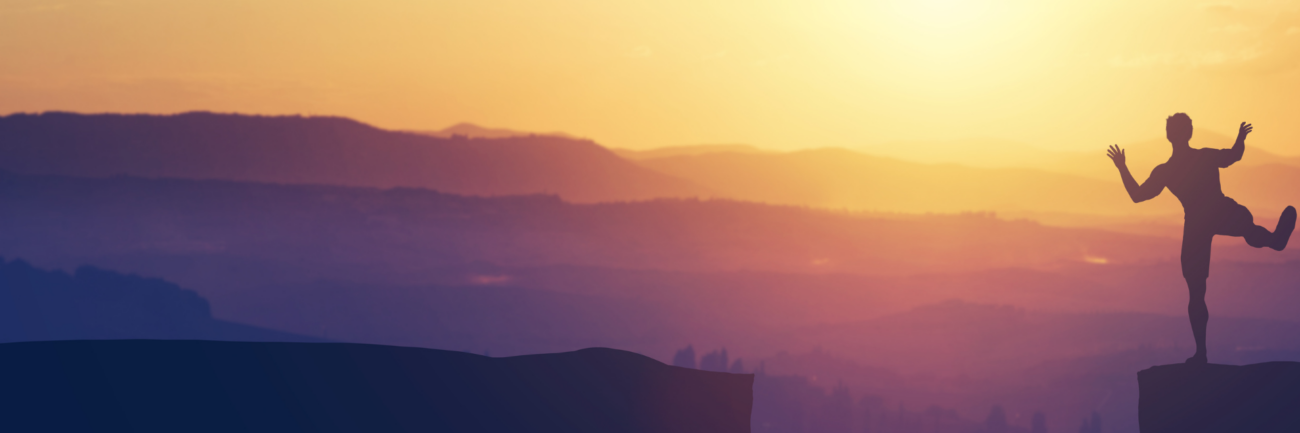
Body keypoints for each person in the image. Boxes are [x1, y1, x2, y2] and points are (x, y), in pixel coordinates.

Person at [1106, 113, 1296, 364]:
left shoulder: (1167, 171)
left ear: (1169, 136)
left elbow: (1138, 194)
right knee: (1247, 227)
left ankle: (1201, 353)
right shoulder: (1202, 156)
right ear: (1189, 133)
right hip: (1217, 210)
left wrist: (1122, 167)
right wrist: (1240, 138)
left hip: (1197, 223)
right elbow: (1233, 156)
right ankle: (1274, 240)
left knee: (1196, 292)